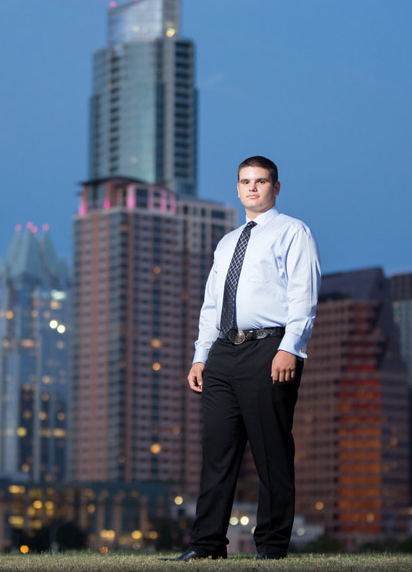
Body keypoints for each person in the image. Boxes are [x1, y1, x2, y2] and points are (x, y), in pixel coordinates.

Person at [168, 155, 320, 561]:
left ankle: (270, 549)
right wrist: (200, 357)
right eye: (245, 182)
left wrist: (291, 346)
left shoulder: (293, 232)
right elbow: (210, 305)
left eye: (261, 181)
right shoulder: (227, 242)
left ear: (276, 187)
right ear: (237, 189)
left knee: (271, 453)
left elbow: (303, 294)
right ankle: (207, 546)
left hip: (269, 349)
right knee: (217, 453)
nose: (252, 188)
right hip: (222, 353)